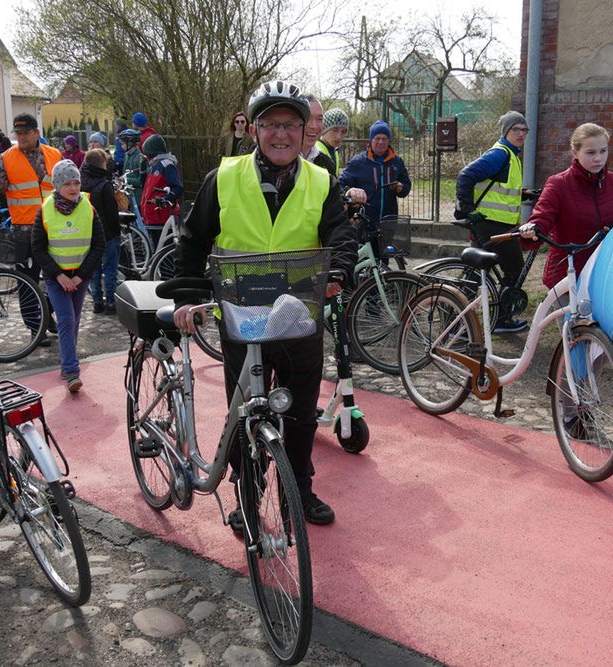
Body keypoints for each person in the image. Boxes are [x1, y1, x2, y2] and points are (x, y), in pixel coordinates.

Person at [172, 79, 357, 529]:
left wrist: (337, 272)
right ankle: (247, 498)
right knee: (244, 416)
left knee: (300, 415)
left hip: (299, 317)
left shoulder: (322, 181)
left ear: (303, 131)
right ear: (254, 129)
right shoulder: (225, 177)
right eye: (271, 124)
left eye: (290, 124)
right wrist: (188, 294)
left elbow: (341, 235)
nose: (281, 134)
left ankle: (301, 493)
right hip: (242, 318)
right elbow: (194, 240)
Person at [0, 113, 64, 347]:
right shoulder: (7, 158)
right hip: (24, 231)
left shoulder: (54, 155)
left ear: (36, 133)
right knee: (27, 280)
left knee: (62, 276)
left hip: (54, 228)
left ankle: (45, 311)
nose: (22, 137)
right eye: (18, 134)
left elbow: (69, 187)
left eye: (26, 133)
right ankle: (36, 326)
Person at [519, 122, 613, 288]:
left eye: (603, 151)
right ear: (575, 152)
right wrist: (533, 228)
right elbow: (543, 216)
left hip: (605, 274)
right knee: (568, 314)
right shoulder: (558, 184)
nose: (598, 158)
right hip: (567, 274)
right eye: (590, 152)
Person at [454, 110, 534, 333]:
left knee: (477, 273)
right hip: (492, 224)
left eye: (524, 130)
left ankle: (454, 318)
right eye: (515, 130)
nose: (521, 134)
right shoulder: (500, 154)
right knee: (515, 269)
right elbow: (465, 176)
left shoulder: (511, 155)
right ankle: (501, 320)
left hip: (497, 224)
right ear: (506, 132)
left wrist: (524, 194)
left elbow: (499, 189)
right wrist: (468, 210)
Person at [32, 160, 105, 392]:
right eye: (67, 184)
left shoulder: (89, 208)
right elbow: (38, 247)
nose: (73, 188)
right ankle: (72, 371)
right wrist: (59, 276)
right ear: (57, 186)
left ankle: (67, 364)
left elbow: (98, 244)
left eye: (76, 182)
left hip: (80, 277)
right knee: (66, 320)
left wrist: (81, 276)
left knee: (73, 321)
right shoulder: (45, 209)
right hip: (57, 278)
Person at [338, 119, 410, 248]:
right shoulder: (358, 162)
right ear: (371, 140)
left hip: (388, 222)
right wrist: (351, 192)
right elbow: (340, 185)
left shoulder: (397, 162)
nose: (381, 142)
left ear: (389, 141)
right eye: (377, 138)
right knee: (364, 261)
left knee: (383, 263)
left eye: (384, 138)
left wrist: (401, 188)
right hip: (364, 222)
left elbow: (406, 186)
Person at [80, 149, 120, 315]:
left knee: (94, 269)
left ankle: (97, 301)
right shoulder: (104, 185)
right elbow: (112, 212)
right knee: (110, 268)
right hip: (107, 233)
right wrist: (117, 230)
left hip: (89, 233)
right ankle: (111, 302)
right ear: (103, 164)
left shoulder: (81, 183)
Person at [139, 133, 183, 248]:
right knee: (156, 250)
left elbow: (177, 187)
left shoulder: (166, 165)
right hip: (152, 218)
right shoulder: (154, 165)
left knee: (164, 253)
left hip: (161, 216)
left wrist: (166, 199)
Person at [301, 95, 336, 174]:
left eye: (319, 119)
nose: (314, 126)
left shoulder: (327, 164)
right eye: (307, 118)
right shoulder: (280, 160)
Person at [120, 129, 146, 228]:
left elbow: (141, 180)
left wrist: (125, 179)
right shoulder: (128, 155)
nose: (122, 146)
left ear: (130, 143)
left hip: (138, 196)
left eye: (123, 143)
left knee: (138, 220)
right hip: (129, 194)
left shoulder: (140, 158)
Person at [316, 107, 348, 176]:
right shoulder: (315, 153)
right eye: (335, 130)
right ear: (325, 129)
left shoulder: (334, 151)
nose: (339, 136)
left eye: (343, 132)